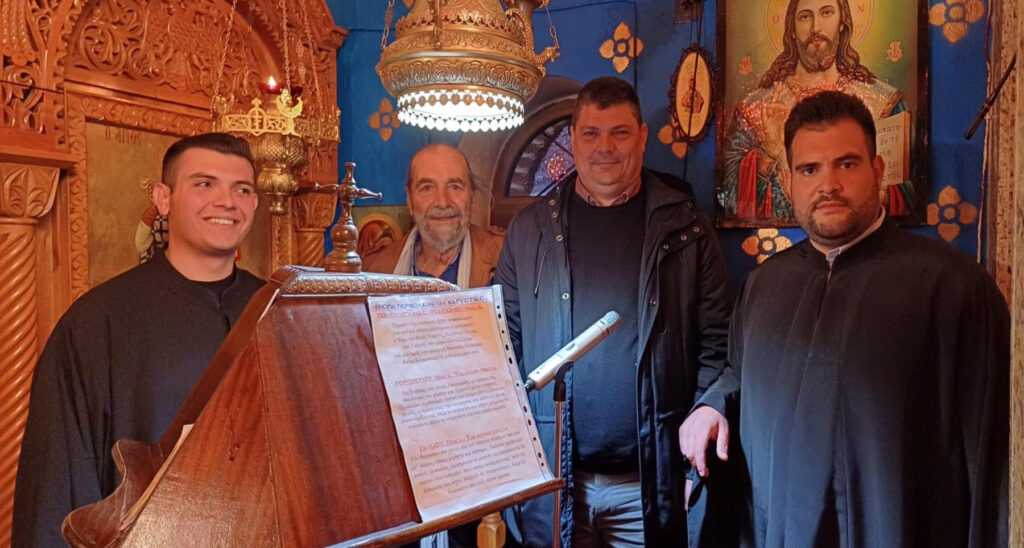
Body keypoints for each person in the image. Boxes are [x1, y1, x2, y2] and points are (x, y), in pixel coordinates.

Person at [681, 91, 1009, 547]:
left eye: (847, 164)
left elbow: (989, 456)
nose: (828, 184)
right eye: (809, 169)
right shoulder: (763, 286)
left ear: (878, 170)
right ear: (788, 181)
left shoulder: (953, 287)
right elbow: (740, 372)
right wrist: (711, 406)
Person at [495, 76, 732, 547]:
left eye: (619, 133)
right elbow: (504, 346)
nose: (604, 147)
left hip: (648, 486)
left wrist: (700, 429)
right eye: (591, 133)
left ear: (642, 138)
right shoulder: (529, 230)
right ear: (573, 139)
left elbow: (718, 343)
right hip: (555, 484)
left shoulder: (686, 228)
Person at [13, 132, 265, 548]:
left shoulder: (277, 307)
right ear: (164, 199)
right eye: (204, 184)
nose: (226, 201)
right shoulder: (98, 320)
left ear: (254, 203)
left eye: (242, 189)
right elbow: (58, 473)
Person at [720, 0, 910, 222]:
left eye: (826, 13)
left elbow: (904, 197)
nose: (815, 27)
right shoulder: (757, 107)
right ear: (791, 28)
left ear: (842, 22)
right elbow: (730, 200)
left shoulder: (883, 102)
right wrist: (769, 153)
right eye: (805, 17)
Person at [364, 143, 504, 289]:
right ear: (410, 200)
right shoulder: (374, 270)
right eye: (427, 188)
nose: (443, 203)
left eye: (455, 187)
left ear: (472, 196)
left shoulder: (505, 258)